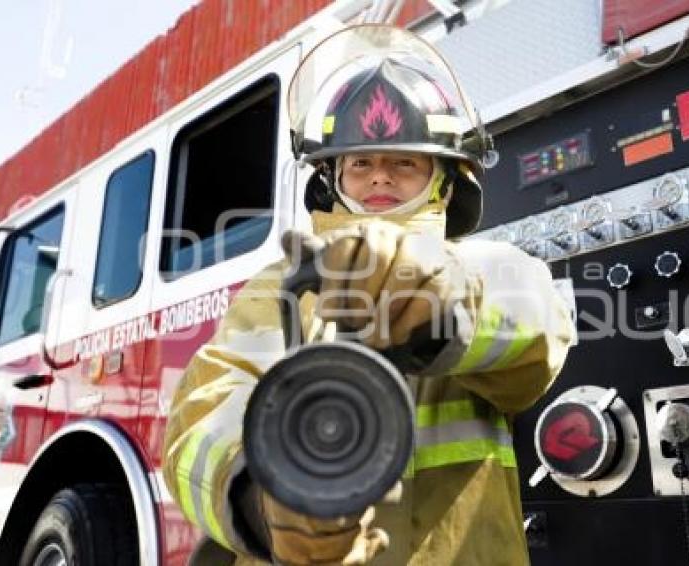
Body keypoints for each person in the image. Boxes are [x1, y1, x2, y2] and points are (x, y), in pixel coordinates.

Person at [162, 24, 574, 565]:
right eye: (360, 163)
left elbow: (537, 324)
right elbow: (207, 410)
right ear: (331, 179)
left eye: (404, 161)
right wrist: (262, 502)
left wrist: (443, 307)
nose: (380, 177)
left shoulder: (486, 267)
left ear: (445, 182)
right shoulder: (280, 284)